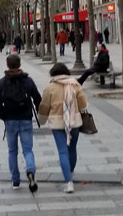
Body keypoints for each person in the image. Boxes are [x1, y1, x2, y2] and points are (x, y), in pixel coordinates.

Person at [0, 54, 42, 192]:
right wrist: (39, 111)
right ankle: (31, 171)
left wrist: (4, 116)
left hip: (10, 120)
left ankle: (15, 180)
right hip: (26, 118)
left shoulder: (1, 83)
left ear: (7, 65)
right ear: (20, 64)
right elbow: (37, 98)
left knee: (12, 151)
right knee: (27, 150)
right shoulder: (28, 81)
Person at [38, 63, 88, 194]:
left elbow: (44, 106)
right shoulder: (75, 84)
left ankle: (68, 181)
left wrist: (41, 120)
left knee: (62, 151)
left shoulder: (50, 88)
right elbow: (83, 104)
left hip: (57, 123)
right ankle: (69, 171)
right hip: (74, 121)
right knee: (72, 149)